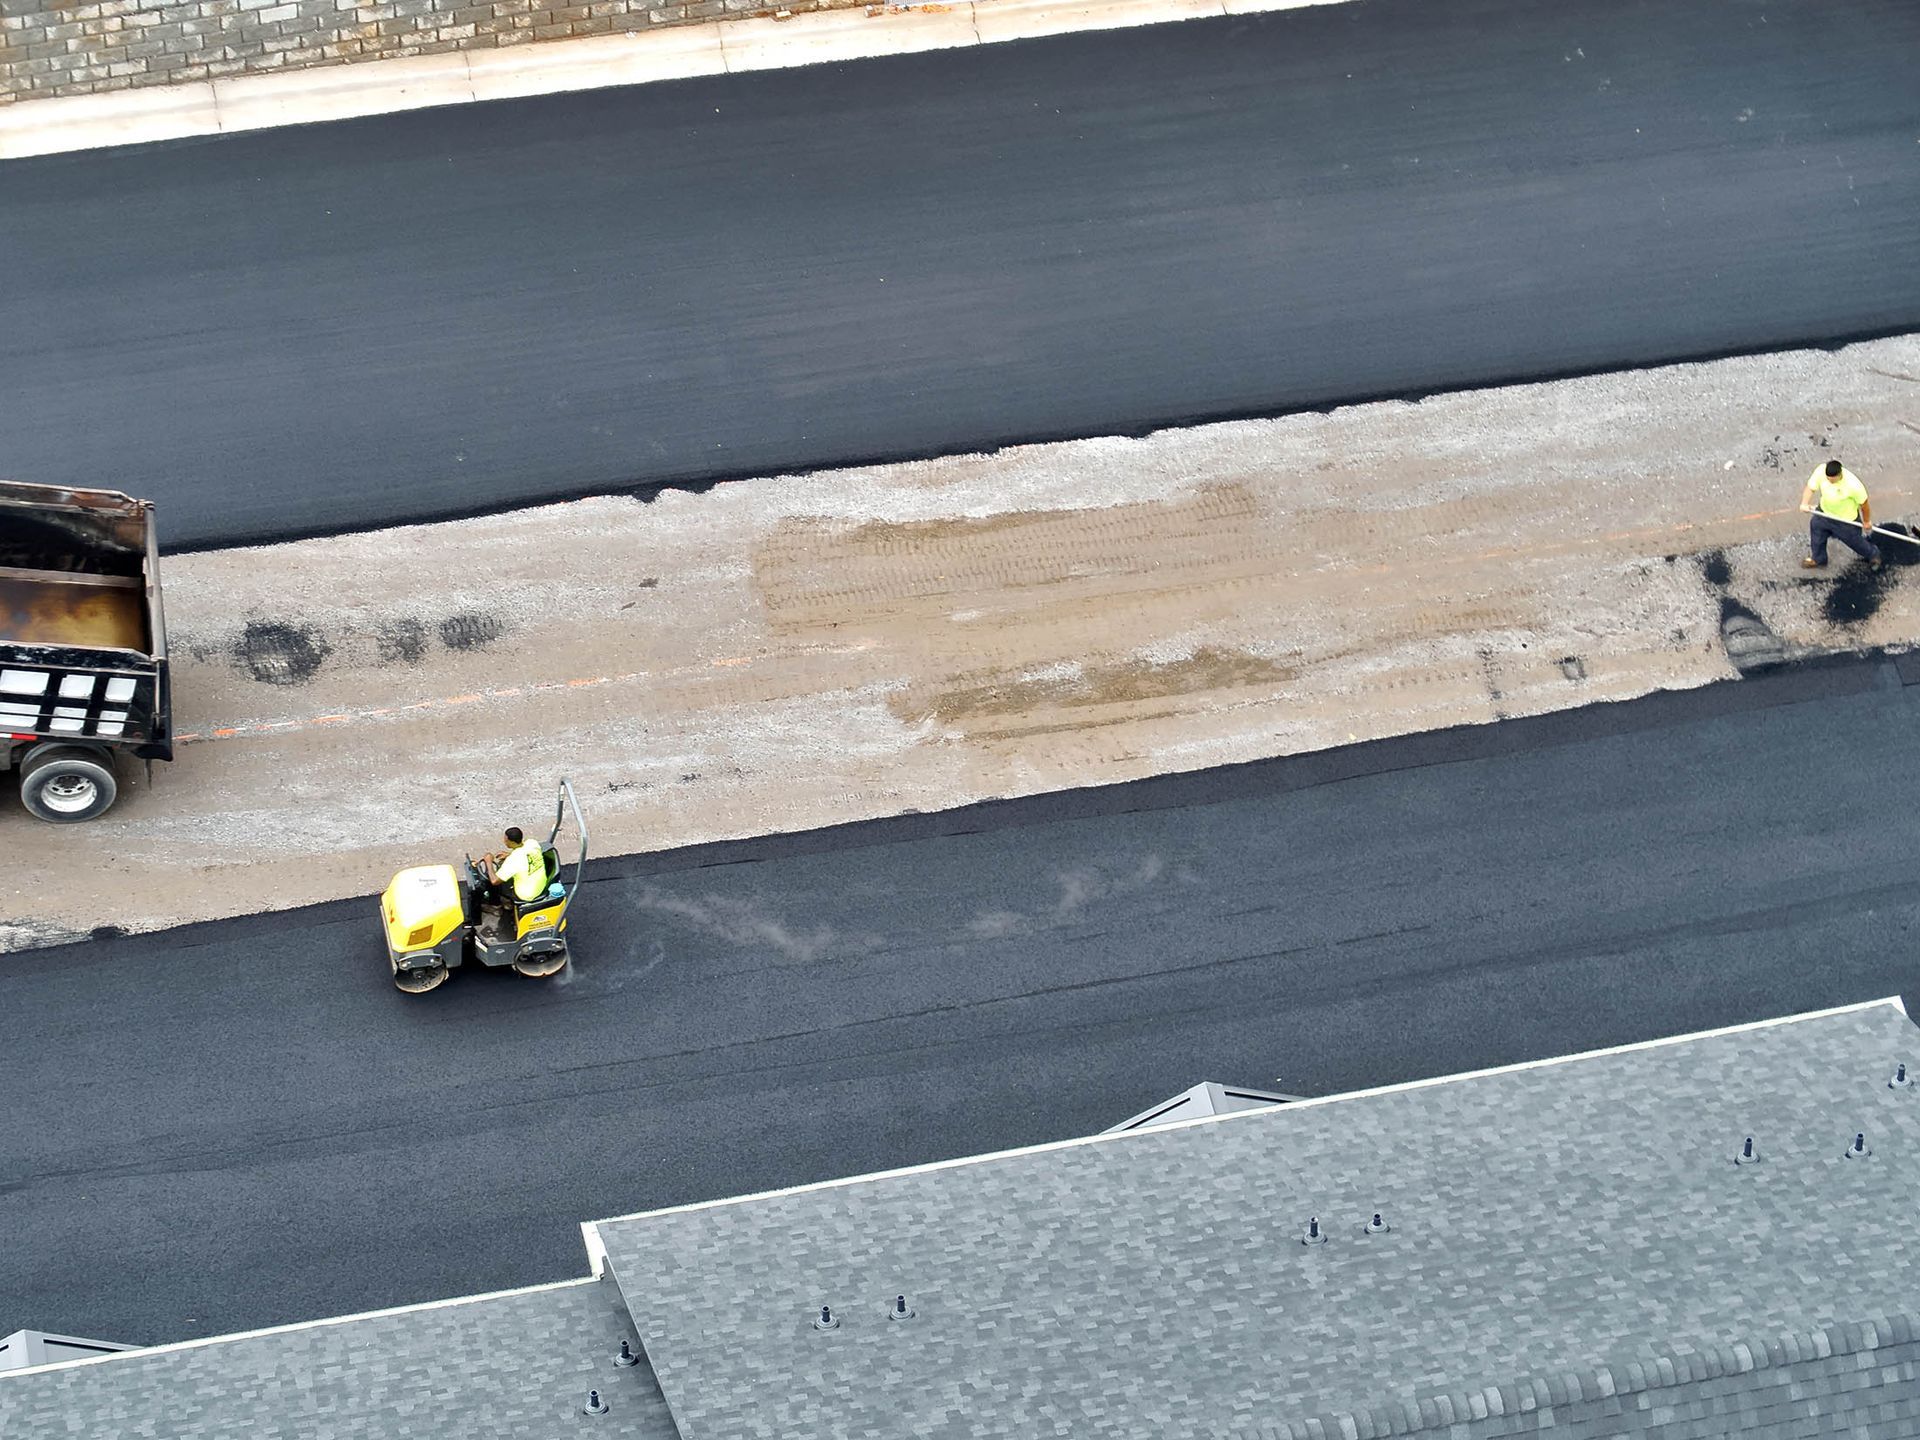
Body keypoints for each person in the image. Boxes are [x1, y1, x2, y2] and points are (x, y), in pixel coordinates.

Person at [1800, 459, 1881, 571]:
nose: (1830, 481)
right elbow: (1810, 488)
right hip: (1824, 513)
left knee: (1856, 543)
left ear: (1840, 474)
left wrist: (1866, 521)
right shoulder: (1821, 471)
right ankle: (1819, 559)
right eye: (1828, 478)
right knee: (1816, 531)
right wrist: (1805, 503)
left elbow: (1864, 506)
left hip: (1846, 521)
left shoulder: (1853, 485)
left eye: (1832, 479)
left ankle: (1873, 554)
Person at [481, 825, 549, 907]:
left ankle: (499, 905)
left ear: (512, 842)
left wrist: (488, 861)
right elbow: (526, 854)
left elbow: (494, 881)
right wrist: (509, 854)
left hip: (527, 894)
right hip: (541, 883)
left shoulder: (513, 860)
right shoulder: (532, 843)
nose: (504, 841)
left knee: (495, 882)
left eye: (506, 840)